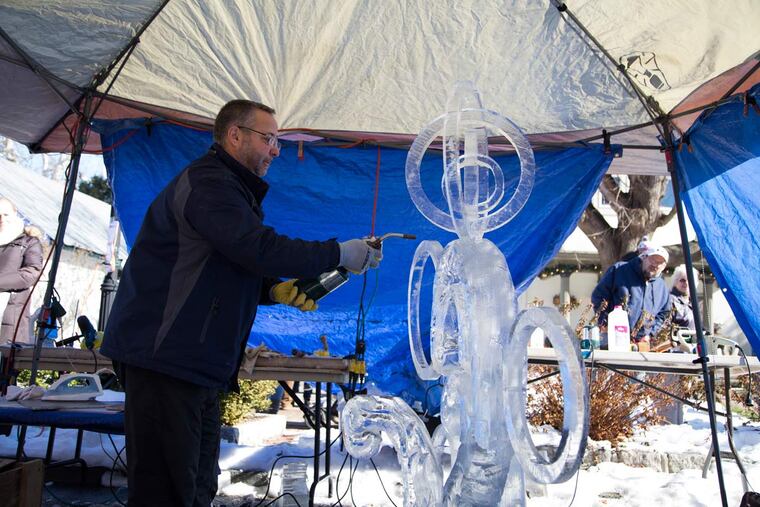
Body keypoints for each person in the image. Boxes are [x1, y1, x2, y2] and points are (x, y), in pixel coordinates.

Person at [101, 100, 382, 507]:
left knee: (197, 487)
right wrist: (339, 253)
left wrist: (271, 290)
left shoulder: (231, 190)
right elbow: (257, 247)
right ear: (235, 135)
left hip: (194, 365)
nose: (275, 149)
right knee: (165, 493)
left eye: (277, 141)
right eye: (268, 138)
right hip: (164, 358)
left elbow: (227, 262)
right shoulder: (209, 184)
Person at [591, 245, 671, 349]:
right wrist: (605, 323)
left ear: (664, 266)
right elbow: (598, 297)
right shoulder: (619, 270)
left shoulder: (662, 287)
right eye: (653, 259)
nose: (655, 264)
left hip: (641, 344)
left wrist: (650, 334)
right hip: (612, 337)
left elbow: (664, 313)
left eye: (660, 263)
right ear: (644, 257)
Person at [0, 197, 43, 345]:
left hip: (10, 318)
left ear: (15, 213)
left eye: (5, 214)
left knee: (5, 365)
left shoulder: (29, 242)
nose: (1, 219)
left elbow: (31, 273)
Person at [670, 264, 699, 331]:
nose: (686, 283)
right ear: (675, 281)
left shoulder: (692, 301)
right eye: (682, 280)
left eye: (690, 280)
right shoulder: (670, 300)